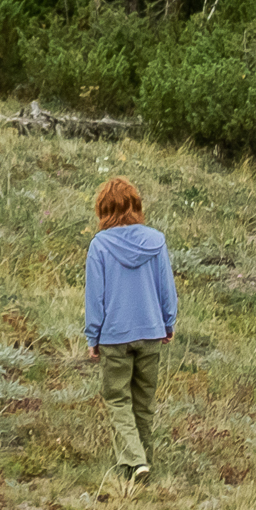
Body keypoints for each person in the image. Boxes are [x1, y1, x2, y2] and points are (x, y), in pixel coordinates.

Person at [83, 174, 175, 490]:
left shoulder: (100, 245)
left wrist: (93, 337)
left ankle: (136, 462)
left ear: (104, 210)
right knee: (143, 403)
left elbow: (95, 297)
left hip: (114, 337)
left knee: (117, 399)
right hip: (151, 332)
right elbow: (167, 288)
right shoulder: (157, 241)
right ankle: (139, 467)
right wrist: (168, 322)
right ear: (136, 206)